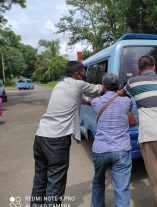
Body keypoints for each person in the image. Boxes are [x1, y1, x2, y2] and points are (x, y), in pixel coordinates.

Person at [30, 61, 103, 206]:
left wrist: (90, 103)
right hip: (56, 141)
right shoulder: (79, 84)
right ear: (76, 74)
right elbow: (98, 89)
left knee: (40, 180)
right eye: (84, 73)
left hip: (40, 137)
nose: (85, 75)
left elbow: (79, 98)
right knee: (55, 186)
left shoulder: (60, 85)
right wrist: (116, 87)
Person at [118, 55, 157, 207]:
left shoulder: (132, 82)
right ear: (154, 67)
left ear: (139, 69)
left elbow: (120, 93)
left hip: (152, 136)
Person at [90, 74, 132, 207]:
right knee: (122, 188)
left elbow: (90, 102)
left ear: (103, 87)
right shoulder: (127, 102)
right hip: (121, 150)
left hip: (100, 150)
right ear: (119, 86)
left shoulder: (97, 102)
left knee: (98, 182)